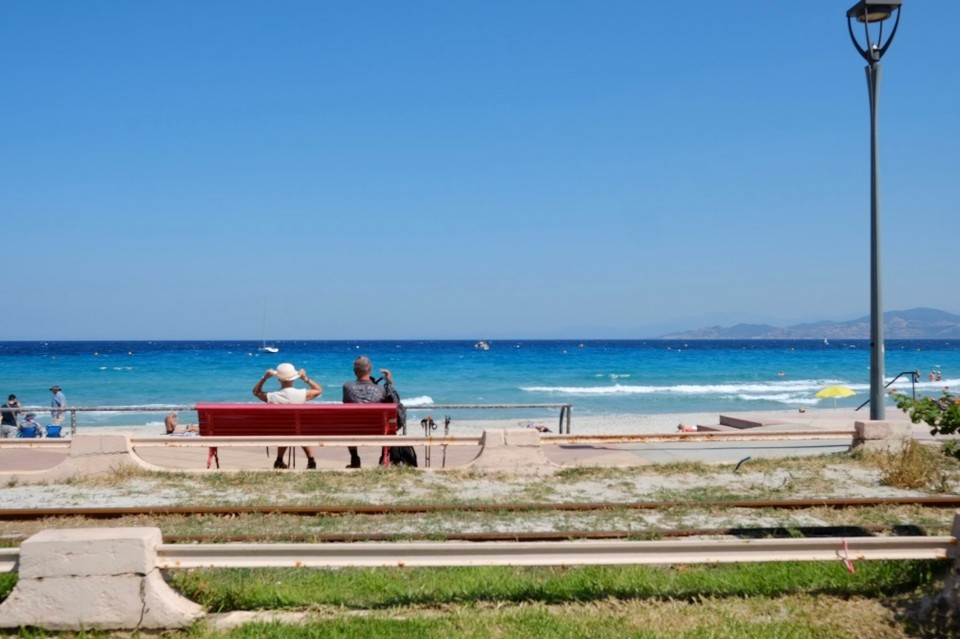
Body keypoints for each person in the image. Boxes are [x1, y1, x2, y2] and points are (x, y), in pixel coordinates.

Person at [253, 362, 323, 469]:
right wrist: (305, 379)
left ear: (278, 379)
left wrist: (264, 378)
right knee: (299, 430)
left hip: (282, 429)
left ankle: (279, 460)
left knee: (285, 429)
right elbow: (319, 390)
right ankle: (311, 460)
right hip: (299, 429)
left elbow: (256, 392)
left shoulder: (273, 396)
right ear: (294, 379)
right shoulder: (302, 394)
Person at [342, 356, 394, 469]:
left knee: (348, 424)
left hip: (354, 429)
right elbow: (392, 402)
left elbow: (346, 404)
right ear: (370, 370)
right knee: (389, 424)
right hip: (378, 429)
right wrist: (389, 383)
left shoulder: (347, 387)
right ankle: (383, 458)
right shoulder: (381, 389)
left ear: (355, 371)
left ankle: (355, 459)